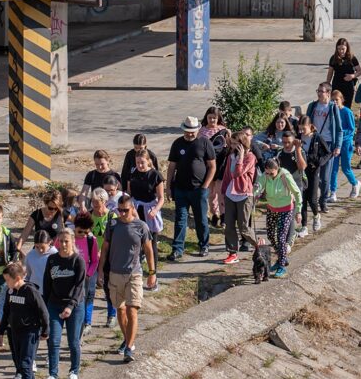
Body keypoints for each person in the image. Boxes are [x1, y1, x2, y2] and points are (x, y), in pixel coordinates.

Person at [100, 196, 155, 365]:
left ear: (132, 209)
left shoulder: (141, 226)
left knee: (132, 310)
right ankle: (127, 339)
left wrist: (152, 272)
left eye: (125, 210)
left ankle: (129, 348)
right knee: (121, 310)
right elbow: (105, 248)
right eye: (119, 210)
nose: (122, 213)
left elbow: (149, 249)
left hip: (134, 273)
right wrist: (100, 270)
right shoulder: (113, 225)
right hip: (115, 273)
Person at [0, 263, 47, 379]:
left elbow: (43, 312)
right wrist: (0, 332)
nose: (6, 283)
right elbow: (6, 312)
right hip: (14, 332)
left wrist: (45, 331)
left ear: (17, 278)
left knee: (26, 363)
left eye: (7, 280)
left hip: (30, 332)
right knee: (20, 363)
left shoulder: (31, 291)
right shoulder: (10, 292)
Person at [41, 230, 85, 379]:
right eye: (61, 241)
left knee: (73, 341)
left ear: (73, 241)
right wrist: (44, 308)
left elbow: (80, 286)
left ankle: (74, 372)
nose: (63, 245)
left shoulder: (78, 261)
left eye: (66, 241)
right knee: (53, 340)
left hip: (75, 306)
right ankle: (53, 375)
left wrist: (70, 306)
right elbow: (47, 283)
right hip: (54, 304)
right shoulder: (52, 260)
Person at [167, 116, 216, 261]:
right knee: (180, 219)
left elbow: (212, 166)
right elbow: (171, 167)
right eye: (187, 131)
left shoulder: (205, 143)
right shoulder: (177, 143)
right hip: (181, 189)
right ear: (183, 130)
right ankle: (177, 249)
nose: (190, 134)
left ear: (198, 129)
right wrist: (168, 187)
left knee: (201, 219)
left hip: (198, 189)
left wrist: (205, 186)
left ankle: (203, 245)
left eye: (193, 131)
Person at [305, 83, 343, 215]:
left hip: (328, 144)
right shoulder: (313, 106)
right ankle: (312, 198)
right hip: (314, 142)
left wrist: (338, 146)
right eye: (318, 91)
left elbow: (339, 129)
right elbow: (306, 123)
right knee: (315, 174)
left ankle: (323, 200)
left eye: (322, 91)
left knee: (326, 176)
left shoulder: (332, 108)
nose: (319, 93)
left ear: (328, 93)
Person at [220, 133, 257, 265]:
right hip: (231, 194)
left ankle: (258, 245)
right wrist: (223, 193)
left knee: (243, 227)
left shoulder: (250, 157)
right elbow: (227, 176)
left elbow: (237, 173)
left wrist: (241, 158)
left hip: (244, 194)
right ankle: (232, 252)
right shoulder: (231, 156)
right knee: (228, 225)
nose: (233, 146)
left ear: (243, 143)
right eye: (233, 143)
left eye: (236, 144)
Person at [327, 90, 360, 200]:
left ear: (342, 100)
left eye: (337, 99)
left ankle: (355, 183)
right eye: (332, 100)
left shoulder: (347, 112)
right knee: (333, 169)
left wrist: (340, 134)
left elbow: (351, 129)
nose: (335, 102)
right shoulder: (330, 111)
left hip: (346, 143)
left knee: (346, 167)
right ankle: (333, 192)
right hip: (335, 144)